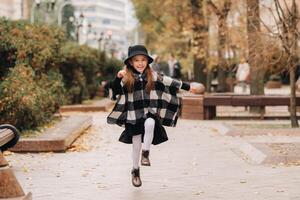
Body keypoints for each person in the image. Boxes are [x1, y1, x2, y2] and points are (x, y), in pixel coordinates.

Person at [107, 45, 195, 187]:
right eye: (136, 60)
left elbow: (169, 80)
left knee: (151, 123)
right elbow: (114, 90)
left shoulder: (152, 75)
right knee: (135, 145)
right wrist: (117, 78)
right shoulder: (126, 77)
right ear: (130, 62)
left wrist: (189, 87)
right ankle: (135, 170)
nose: (140, 63)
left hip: (148, 112)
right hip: (132, 116)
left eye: (143, 60)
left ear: (147, 61)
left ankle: (146, 153)